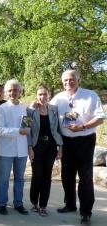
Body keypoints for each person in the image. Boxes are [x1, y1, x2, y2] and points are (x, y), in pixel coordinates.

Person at [51, 69, 105, 225]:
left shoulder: (90, 95)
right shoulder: (58, 98)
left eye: (72, 79)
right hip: (66, 142)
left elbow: (100, 118)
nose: (68, 82)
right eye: (65, 80)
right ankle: (70, 205)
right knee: (66, 176)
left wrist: (82, 127)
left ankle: (86, 212)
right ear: (62, 82)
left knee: (85, 178)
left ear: (78, 80)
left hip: (85, 140)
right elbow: (47, 111)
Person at [0, 79, 29, 215]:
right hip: (6, 149)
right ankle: (2, 203)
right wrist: (18, 131)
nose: (13, 92)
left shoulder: (25, 108)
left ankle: (18, 203)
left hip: (22, 149)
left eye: (15, 90)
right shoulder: (1, 109)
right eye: (10, 90)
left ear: (20, 92)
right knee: (4, 178)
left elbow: (27, 126)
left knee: (20, 178)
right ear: (6, 92)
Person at [27, 85, 63, 216]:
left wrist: (60, 148)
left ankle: (43, 205)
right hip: (36, 146)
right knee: (37, 176)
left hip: (51, 147)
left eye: (45, 94)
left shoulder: (54, 110)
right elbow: (27, 130)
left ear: (49, 96)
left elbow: (59, 130)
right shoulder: (31, 111)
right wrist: (29, 148)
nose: (43, 97)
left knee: (47, 177)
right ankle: (34, 203)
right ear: (36, 96)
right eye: (40, 94)